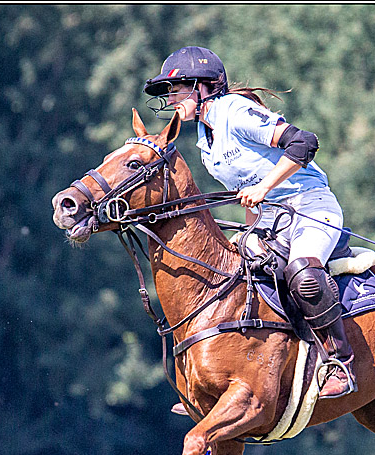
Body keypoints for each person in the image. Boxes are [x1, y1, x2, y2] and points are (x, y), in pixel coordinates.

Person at [144, 46, 356, 399]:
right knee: (232, 276)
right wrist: (248, 233)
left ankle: (339, 362)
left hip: (309, 207)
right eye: (169, 91)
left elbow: (304, 143)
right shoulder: (204, 140)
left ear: (204, 87)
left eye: (177, 89)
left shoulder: (235, 112)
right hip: (269, 221)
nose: (171, 98)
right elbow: (246, 194)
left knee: (302, 273)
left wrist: (264, 187)